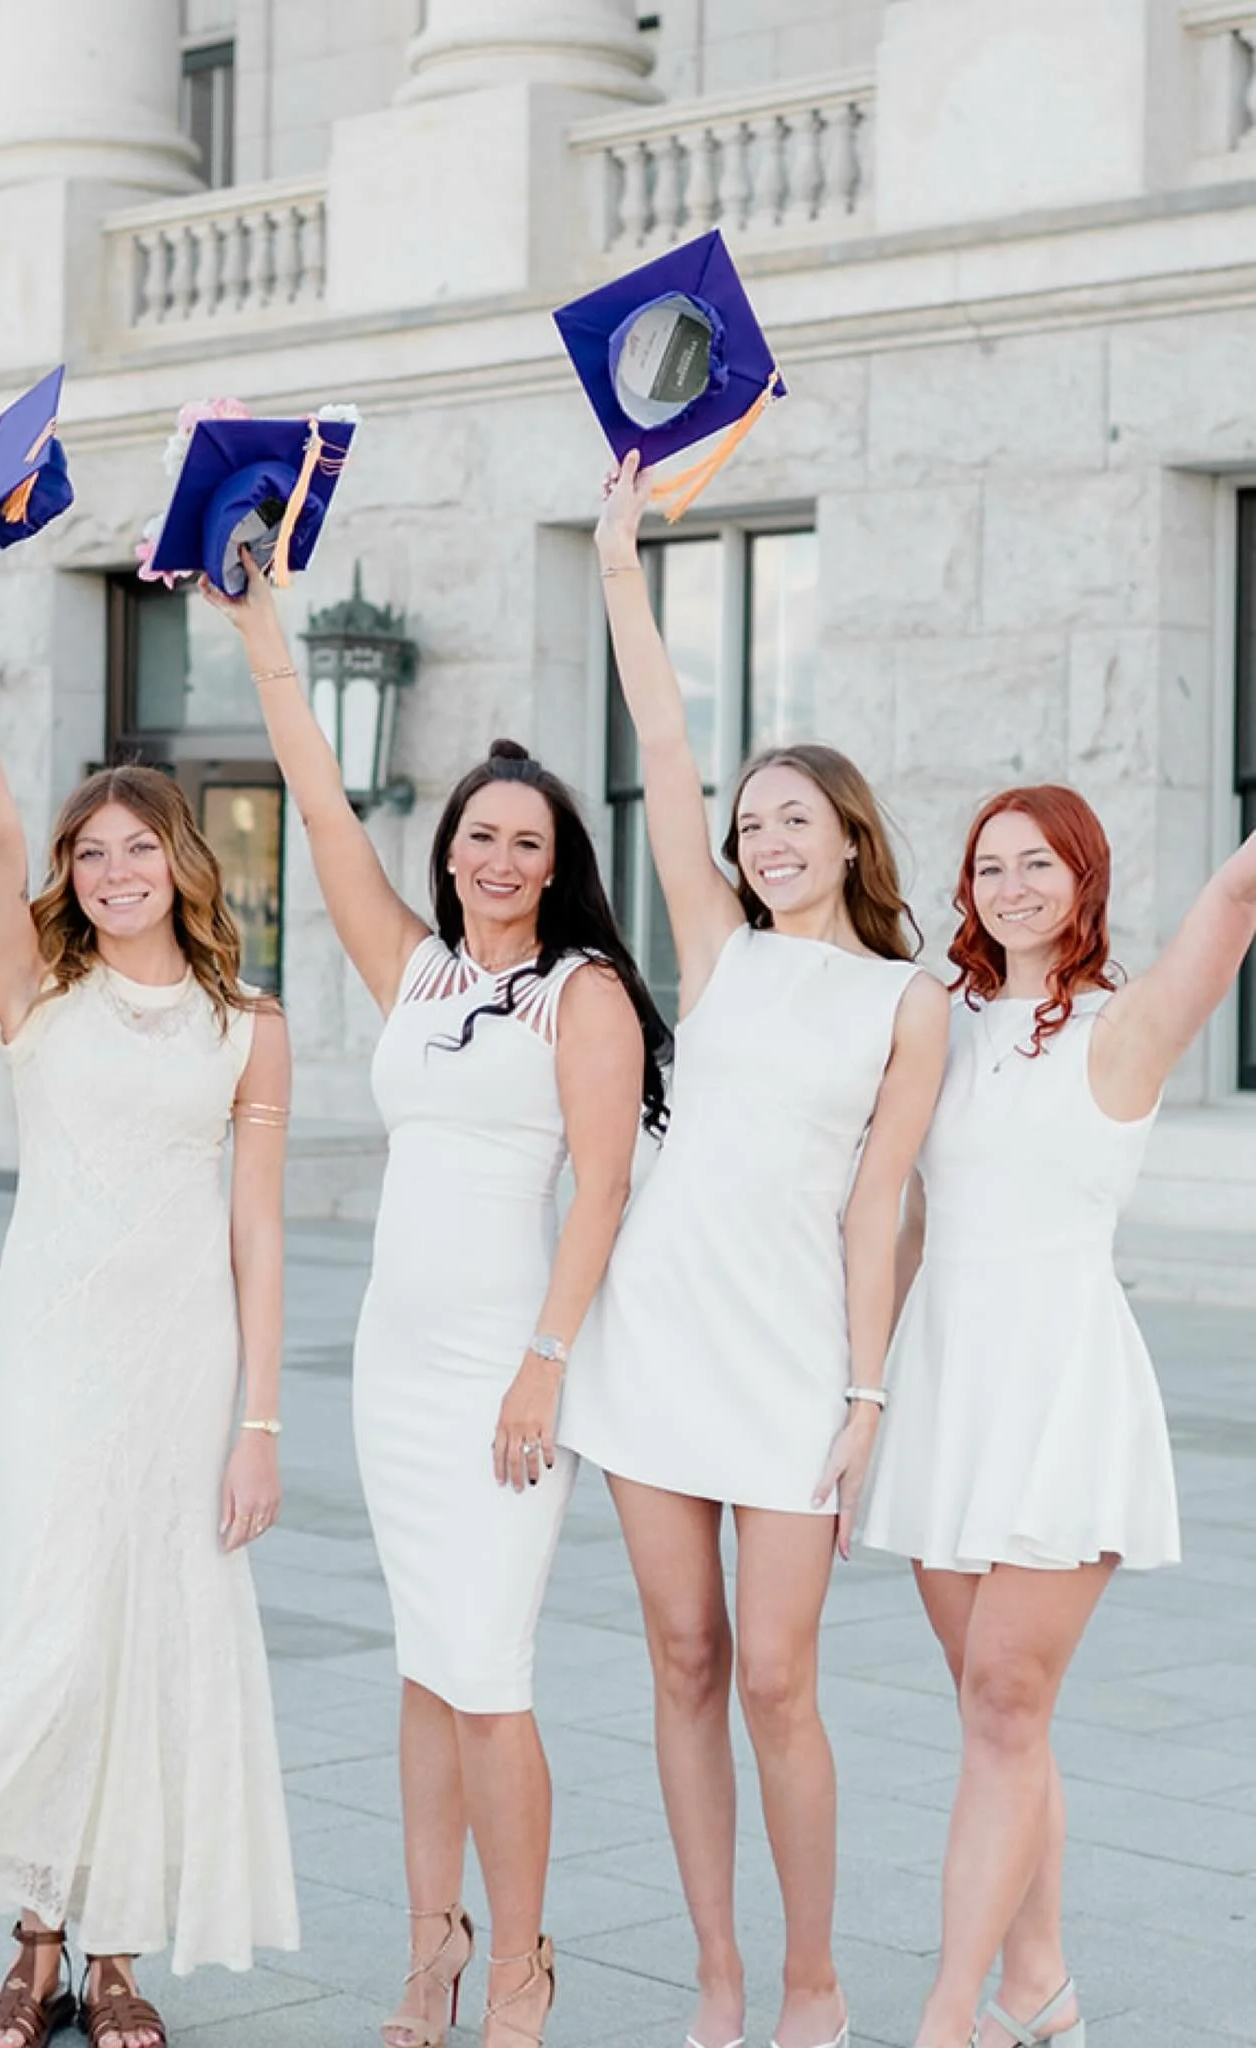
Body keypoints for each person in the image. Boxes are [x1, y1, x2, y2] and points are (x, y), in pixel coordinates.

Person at [201, 546, 670, 2048]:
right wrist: (260, 629)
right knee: (424, 1663)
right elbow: (323, 805)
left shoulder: (580, 993)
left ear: (558, 862)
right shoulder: (411, 972)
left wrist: (545, 1364)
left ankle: (522, 1965)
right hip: (393, 1368)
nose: (498, 858)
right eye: (479, 835)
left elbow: (596, 1190)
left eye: (527, 841)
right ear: (453, 848)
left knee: (488, 1673)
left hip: (502, 1366)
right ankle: (429, 1953)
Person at [0, 544, 298, 2048]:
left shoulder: (251, 1026)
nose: (111, 875)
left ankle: (114, 1952)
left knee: (154, 1635)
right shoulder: (37, 996)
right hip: (54, 1349)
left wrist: (259, 1424)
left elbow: (258, 1234)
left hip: (187, 1365)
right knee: (52, 1618)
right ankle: (32, 1944)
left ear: (183, 860)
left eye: (135, 851)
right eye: (88, 855)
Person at [558, 452, 951, 2048]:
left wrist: (866, 1395)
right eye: (750, 821)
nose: (765, 837)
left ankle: (811, 1976)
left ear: (850, 839)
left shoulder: (905, 1001)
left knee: (777, 1677)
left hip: (794, 1356)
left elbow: (885, 1207)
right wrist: (616, 568)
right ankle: (716, 1976)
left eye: (795, 819)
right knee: (681, 1654)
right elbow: (656, 742)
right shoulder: (711, 952)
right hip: (653, 1335)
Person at [860, 784, 1256, 2048]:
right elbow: (905, 1215)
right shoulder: (941, 1023)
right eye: (989, 864)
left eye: (1039, 863)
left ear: (1084, 878)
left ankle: (946, 2011)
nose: (1012, 884)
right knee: (996, 1716)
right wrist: (863, 1391)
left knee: (1007, 1703)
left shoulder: (1125, 1025)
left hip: (1062, 1387)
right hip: (945, 1385)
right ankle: (1041, 1986)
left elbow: (1238, 895)